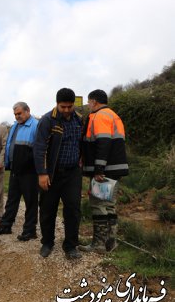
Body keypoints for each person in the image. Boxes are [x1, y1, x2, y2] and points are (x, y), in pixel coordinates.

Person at [33, 88, 83, 260]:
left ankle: (70, 246)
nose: (67, 110)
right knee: (47, 209)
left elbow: (81, 143)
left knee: (73, 209)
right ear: (57, 104)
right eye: (63, 107)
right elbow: (39, 148)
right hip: (52, 173)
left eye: (70, 107)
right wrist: (42, 173)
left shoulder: (79, 120)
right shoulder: (48, 120)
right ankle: (47, 242)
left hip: (73, 173)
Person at [79, 89, 128, 253]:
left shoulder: (100, 116)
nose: (88, 104)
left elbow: (104, 142)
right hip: (115, 169)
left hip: (104, 170)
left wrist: (99, 168)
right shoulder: (113, 115)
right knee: (109, 206)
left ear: (94, 101)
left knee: (99, 205)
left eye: (89, 101)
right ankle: (110, 243)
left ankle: (99, 244)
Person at [0, 102, 39, 240]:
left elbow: (39, 149)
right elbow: (10, 146)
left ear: (28, 111)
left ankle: (30, 230)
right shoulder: (15, 126)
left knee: (30, 202)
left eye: (19, 113)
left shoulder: (36, 126)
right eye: (15, 114)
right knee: (12, 200)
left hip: (30, 171)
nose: (17, 116)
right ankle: (6, 226)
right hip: (15, 170)